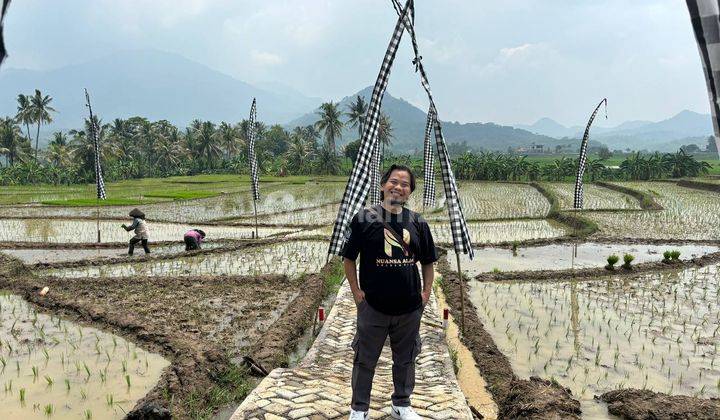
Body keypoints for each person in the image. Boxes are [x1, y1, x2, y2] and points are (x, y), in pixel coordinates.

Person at [342, 164, 438, 420]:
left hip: (409, 308)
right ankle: (359, 409)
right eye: (394, 182)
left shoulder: (418, 222)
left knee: (405, 359)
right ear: (383, 186)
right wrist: (357, 295)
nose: (398, 187)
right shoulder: (364, 218)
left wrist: (426, 294)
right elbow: (348, 259)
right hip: (373, 306)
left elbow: (428, 261)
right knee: (365, 360)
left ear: (410, 192)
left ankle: (401, 405)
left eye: (405, 184)